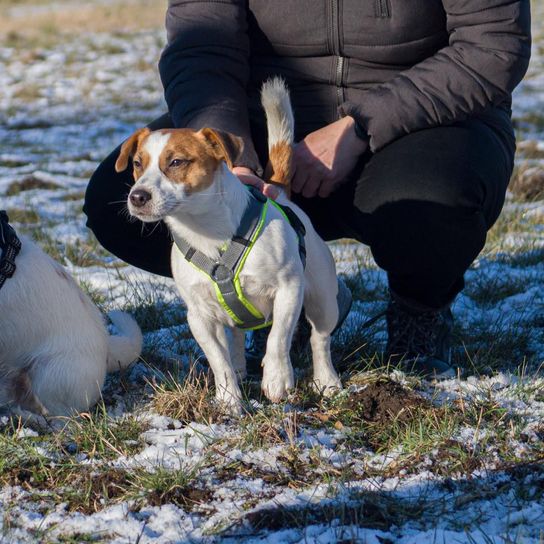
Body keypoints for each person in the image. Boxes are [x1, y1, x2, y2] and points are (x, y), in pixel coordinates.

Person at [84, 0, 531, 379]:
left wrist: (363, 125)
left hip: (421, 117)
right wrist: (231, 162)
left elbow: (492, 44)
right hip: (264, 117)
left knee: (432, 202)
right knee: (115, 205)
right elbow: (201, 43)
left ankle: (421, 307)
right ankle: (283, 290)